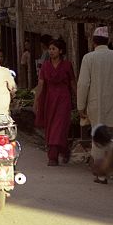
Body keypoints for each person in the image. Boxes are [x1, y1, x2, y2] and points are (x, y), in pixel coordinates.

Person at [78, 27, 113, 184]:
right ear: (108, 41)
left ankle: (101, 175)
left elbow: (83, 84)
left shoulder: (89, 58)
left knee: (99, 140)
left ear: (93, 41)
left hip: (96, 106)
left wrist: (81, 106)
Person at [35, 38, 75, 167]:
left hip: (63, 99)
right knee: (51, 127)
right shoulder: (45, 66)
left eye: (54, 49)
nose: (51, 51)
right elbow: (41, 84)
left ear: (60, 51)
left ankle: (53, 157)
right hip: (50, 99)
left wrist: (80, 99)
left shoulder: (67, 65)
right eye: (50, 49)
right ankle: (64, 151)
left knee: (59, 127)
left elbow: (73, 83)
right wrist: (36, 100)